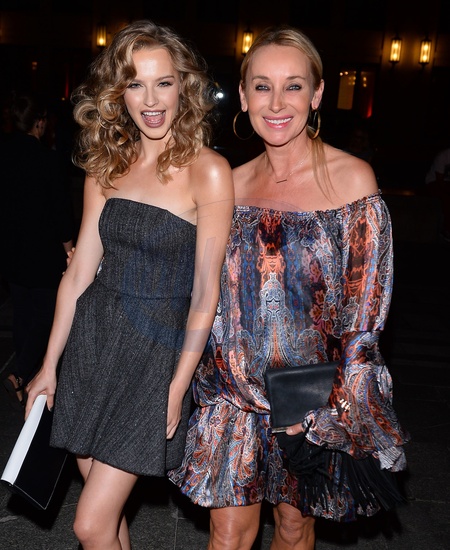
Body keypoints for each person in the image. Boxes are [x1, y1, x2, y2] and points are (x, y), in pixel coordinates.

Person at [169, 25, 409, 550]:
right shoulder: (227, 183)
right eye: (262, 86)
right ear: (242, 95)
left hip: (309, 397)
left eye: (293, 86)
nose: (276, 103)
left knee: (295, 527)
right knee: (226, 535)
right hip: (231, 393)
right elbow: (190, 275)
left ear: (317, 94)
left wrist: (332, 409)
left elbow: (365, 319)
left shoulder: (353, 181)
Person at [25, 20, 234, 550]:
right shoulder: (106, 166)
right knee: (108, 522)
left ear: (184, 87)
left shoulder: (209, 171)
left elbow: (206, 291)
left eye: (163, 82)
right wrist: (48, 366)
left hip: (153, 358)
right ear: (118, 93)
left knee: (88, 524)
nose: (151, 100)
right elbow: (79, 273)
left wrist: (177, 386)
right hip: (92, 345)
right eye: (136, 84)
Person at [0, 92, 74, 409]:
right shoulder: (47, 160)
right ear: (40, 123)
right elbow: (61, 212)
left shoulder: (3, 154)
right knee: (47, 315)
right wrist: (70, 250)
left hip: (11, 249)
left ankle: (23, 375)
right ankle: (20, 373)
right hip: (43, 251)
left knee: (23, 314)